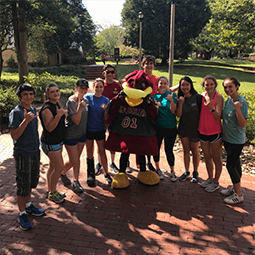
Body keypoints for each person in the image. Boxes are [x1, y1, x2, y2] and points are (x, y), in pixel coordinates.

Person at [9, 83, 45, 231]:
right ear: (20, 97)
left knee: (31, 182)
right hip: (23, 153)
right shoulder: (16, 112)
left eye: (31, 94)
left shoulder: (31, 109)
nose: (29, 97)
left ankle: (29, 206)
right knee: (23, 185)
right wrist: (26, 121)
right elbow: (14, 135)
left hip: (34, 151)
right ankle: (22, 213)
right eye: (25, 94)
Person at [221, 77, 248, 204]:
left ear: (237, 86)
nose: (227, 89)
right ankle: (235, 188)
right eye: (225, 87)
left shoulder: (241, 102)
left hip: (237, 140)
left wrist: (237, 109)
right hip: (227, 138)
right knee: (236, 164)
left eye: (230, 86)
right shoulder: (228, 100)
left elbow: (243, 124)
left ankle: (239, 195)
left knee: (230, 165)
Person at [39, 83, 67, 203]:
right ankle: (52, 193)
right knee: (59, 167)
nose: (56, 93)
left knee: (52, 166)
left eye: (57, 90)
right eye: (52, 92)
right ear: (47, 94)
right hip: (50, 142)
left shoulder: (56, 104)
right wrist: (59, 115)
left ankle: (51, 189)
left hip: (57, 141)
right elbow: (49, 128)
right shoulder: (47, 109)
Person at [60, 79, 89, 193]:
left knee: (74, 160)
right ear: (76, 87)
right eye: (81, 87)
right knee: (76, 160)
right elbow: (76, 120)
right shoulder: (71, 102)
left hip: (82, 134)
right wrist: (80, 107)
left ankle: (62, 172)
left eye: (85, 88)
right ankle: (76, 181)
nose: (83, 90)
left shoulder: (85, 100)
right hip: (71, 135)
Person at [84, 78, 112, 186]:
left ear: (103, 88)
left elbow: (106, 118)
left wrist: (105, 110)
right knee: (89, 153)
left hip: (100, 130)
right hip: (88, 130)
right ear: (93, 87)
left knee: (102, 152)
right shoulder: (87, 98)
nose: (98, 89)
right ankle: (90, 174)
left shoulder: (106, 100)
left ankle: (106, 173)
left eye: (101, 87)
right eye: (97, 86)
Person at [95, 64, 123, 174]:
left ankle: (112, 162)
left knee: (113, 140)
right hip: (100, 118)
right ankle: (99, 163)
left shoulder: (118, 86)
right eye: (108, 72)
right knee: (100, 141)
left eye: (112, 72)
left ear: (115, 73)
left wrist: (123, 86)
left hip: (114, 118)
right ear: (104, 73)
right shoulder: (101, 85)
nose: (110, 74)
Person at [198, 75, 223, 192]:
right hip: (203, 131)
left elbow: (218, 117)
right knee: (207, 158)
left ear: (215, 85)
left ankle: (216, 182)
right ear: (203, 85)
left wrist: (211, 107)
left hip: (215, 133)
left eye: (211, 84)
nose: (209, 87)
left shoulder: (219, 98)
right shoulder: (202, 96)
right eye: (207, 84)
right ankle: (210, 178)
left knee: (217, 158)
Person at [176, 76, 202, 183]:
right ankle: (187, 172)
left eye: (187, 84)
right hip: (183, 128)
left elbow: (202, 115)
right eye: (183, 85)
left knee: (195, 151)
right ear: (180, 86)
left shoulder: (197, 98)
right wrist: (180, 104)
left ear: (191, 85)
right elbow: (178, 115)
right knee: (186, 150)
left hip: (195, 129)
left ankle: (195, 172)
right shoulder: (179, 98)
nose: (185, 87)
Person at [152, 76, 178, 181]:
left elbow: (173, 111)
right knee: (156, 149)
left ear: (167, 85)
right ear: (157, 85)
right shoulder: (154, 97)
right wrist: (157, 108)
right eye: (160, 83)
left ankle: (172, 171)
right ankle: (158, 169)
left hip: (171, 127)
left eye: (164, 83)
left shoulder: (172, 94)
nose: (162, 85)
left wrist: (172, 101)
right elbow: (153, 115)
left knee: (169, 150)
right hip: (158, 127)